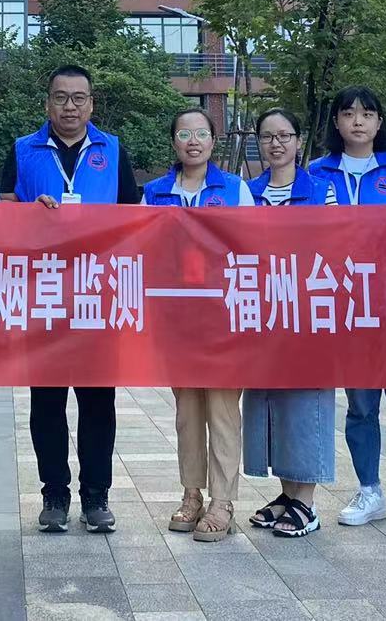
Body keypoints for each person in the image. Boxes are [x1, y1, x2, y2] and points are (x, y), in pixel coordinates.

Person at [0, 64, 142, 534]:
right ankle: (54, 495)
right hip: (43, 292)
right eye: (60, 97)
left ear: (92, 104)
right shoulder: (23, 150)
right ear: (47, 103)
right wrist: (27, 213)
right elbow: (0, 213)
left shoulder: (112, 150)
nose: (69, 107)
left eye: (79, 98)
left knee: (98, 400)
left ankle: (97, 496)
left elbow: (133, 216)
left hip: (98, 293)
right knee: (47, 400)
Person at [309, 86, 386, 535]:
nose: (357, 121)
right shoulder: (318, 173)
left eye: (367, 114)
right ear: (336, 123)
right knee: (361, 404)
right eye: (348, 113)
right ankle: (369, 490)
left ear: (379, 122)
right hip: (347, 304)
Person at [143, 108, 251, 543]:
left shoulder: (235, 189)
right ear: (173, 141)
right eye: (184, 134)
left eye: (201, 134)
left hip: (224, 316)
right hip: (176, 319)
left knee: (223, 409)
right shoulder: (154, 193)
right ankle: (191, 493)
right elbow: (140, 249)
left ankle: (222, 501)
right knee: (187, 412)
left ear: (213, 141)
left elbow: (254, 247)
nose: (193, 141)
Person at [241, 107, 333, 538]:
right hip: (261, 311)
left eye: (284, 136)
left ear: (299, 141)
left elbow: (341, 241)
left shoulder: (321, 190)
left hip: (308, 309)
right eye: (266, 137)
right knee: (269, 401)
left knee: (306, 399)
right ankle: (286, 493)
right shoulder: (247, 193)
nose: (275, 144)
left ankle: (306, 502)